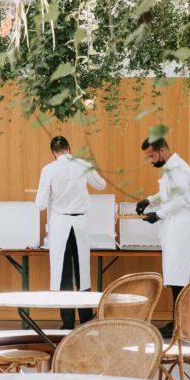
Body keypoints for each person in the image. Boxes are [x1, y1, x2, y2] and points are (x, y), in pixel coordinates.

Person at [35, 135, 106, 329]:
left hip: (60, 223)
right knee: (83, 272)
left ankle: (67, 323)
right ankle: (86, 321)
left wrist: (50, 192)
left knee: (63, 273)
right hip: (81, 222)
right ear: (69, 148)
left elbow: (40, 204)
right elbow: (101, 185)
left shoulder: (48, 169)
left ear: (53, 152)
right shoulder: (82, 164)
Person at [136, 137, 190, 337]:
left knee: (178, 277)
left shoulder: (178, 168)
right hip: (173, 224)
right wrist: (149, 200)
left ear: (162, 151)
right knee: (173, 275)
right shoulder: (171, 168)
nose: (150, 160)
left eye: (151, 155)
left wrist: (158, 214)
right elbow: (169, 194)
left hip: (179, 223)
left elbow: (181, 199)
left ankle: (179, 324)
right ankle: (178, 321)